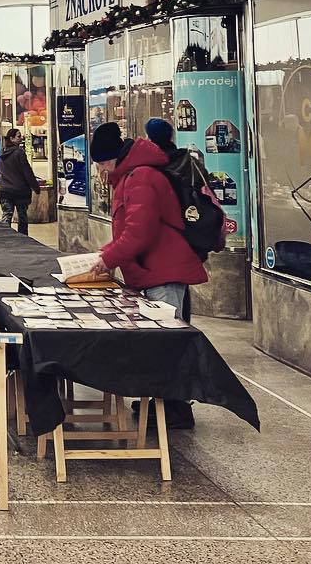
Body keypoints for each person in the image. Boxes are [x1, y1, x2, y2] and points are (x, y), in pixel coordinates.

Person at [88, 120, 207, 429]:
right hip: (151, 270)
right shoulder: (131, 176)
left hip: (163, 271)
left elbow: (140, 233)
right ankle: (162, 408)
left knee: (165, 344)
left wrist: (108, 258)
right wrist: (109, 251)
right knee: (161, 342)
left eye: (100, 163)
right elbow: (130, 229)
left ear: (111, 157)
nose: (100, 170)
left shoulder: (140, 177)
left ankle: (174, 411)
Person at [0, 127, 41, 234]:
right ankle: (23, 240)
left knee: (7, 216)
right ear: (11, 138)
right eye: (18, 136)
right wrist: (36, 187)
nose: (21, 138)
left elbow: (1, 171)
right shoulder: (19, 152)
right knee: (22, 217)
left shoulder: (3, 153)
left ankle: (3, 237)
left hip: (4, 190)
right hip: (19, 191)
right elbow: (27, 171)